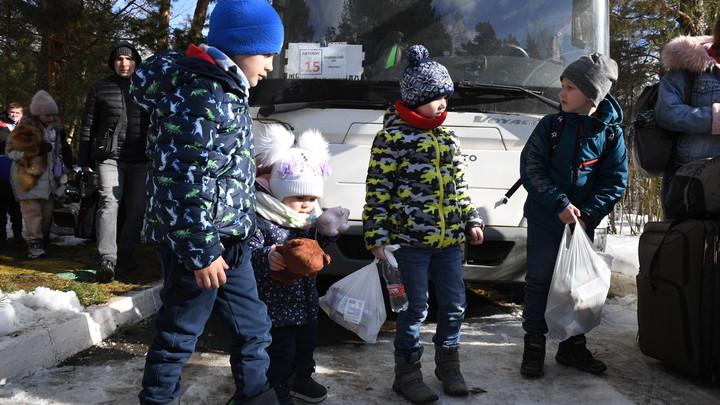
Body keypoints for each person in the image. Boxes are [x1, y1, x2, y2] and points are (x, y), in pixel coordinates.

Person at [129, 0, 285, 404]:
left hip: (231, 239)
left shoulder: (228, 89)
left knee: (254, 328)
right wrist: (200, 251)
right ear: (240, 46)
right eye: (266, 54)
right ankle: (159, 399)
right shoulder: (199, 93)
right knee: (180, 332)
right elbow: (182, 178)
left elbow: (217, 166)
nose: (270, 66)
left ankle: (256, 396)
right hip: (195, 244)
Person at [362, 44, 485, 404]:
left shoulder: (449, 138)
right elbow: (378, 192)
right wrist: (377, 236)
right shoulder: (391, 139)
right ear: (414, 99)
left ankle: (449, 366)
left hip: (449, 243)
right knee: (413, 309)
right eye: (435, 97)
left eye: (445, 96)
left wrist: (471, 219)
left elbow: (460, 187)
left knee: (454, 305)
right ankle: (408, 373)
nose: (443, 103)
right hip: (408, 244)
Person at [518, 53, 627, 378]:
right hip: (545, 220)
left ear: (592, 95)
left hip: (581, 228)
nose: (562, 93)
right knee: (538, 283)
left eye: (570, 87)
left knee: (577, 286)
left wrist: (588, 213)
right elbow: (531, 168)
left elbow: (614, 181)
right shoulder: (550, 126)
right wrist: (559, 203)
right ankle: (534, 346)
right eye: (562, 86)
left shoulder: (611, 135)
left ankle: (572, 347)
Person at [249, 125, 346, 405]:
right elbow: (248, 251)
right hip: (275, 306)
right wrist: (266, 255)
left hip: (305, 302)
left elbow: (313, 251)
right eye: (299, 198)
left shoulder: (305, 222)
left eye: (312, 199)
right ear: (279, 193)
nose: (306, 205)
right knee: (281, 351)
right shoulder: (262, 218)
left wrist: (327, 233)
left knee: (305, 345)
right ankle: (278, 388)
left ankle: (301, 377)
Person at [78, 41, 150, 283]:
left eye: (128, 59)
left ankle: (126, 252)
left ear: (136, 62)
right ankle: (107, 258)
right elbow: (88, 125)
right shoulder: (99, 87)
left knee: (138, 207)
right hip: (109, 158)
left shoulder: (147, 88)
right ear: (113, 63)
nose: (124, 63)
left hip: (141, 160)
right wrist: (83, 158)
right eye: (119, 59)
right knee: (109, 202)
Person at [655, 19, 720, 216]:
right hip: (692, 181)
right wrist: (715, 117)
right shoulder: (689, 65)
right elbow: (667, 113)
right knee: (688, 244)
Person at [7, 91, 72, 258]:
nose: (50, 117)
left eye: (52, 114)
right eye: (46, 114)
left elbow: (58, 151)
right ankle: (34, 244)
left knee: (47, 212)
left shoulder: (56, 129)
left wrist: (63, 168)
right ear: (38, 113)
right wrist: (34, 151)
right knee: (32, 213)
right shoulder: (24, 129)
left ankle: (42, 240)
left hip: (50, 178)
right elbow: (11, 152)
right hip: (29, 177)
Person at [0, 102, 24, 245]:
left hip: (19, 170)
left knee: (17, 206)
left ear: (21, 114)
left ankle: (18, 234)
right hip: (2, 168)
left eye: (17, 113)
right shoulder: (1, 125)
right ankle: (1, 236)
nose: (14, 115)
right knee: (1, 205)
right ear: (7, 112)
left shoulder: (25, 126)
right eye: (12, 112)